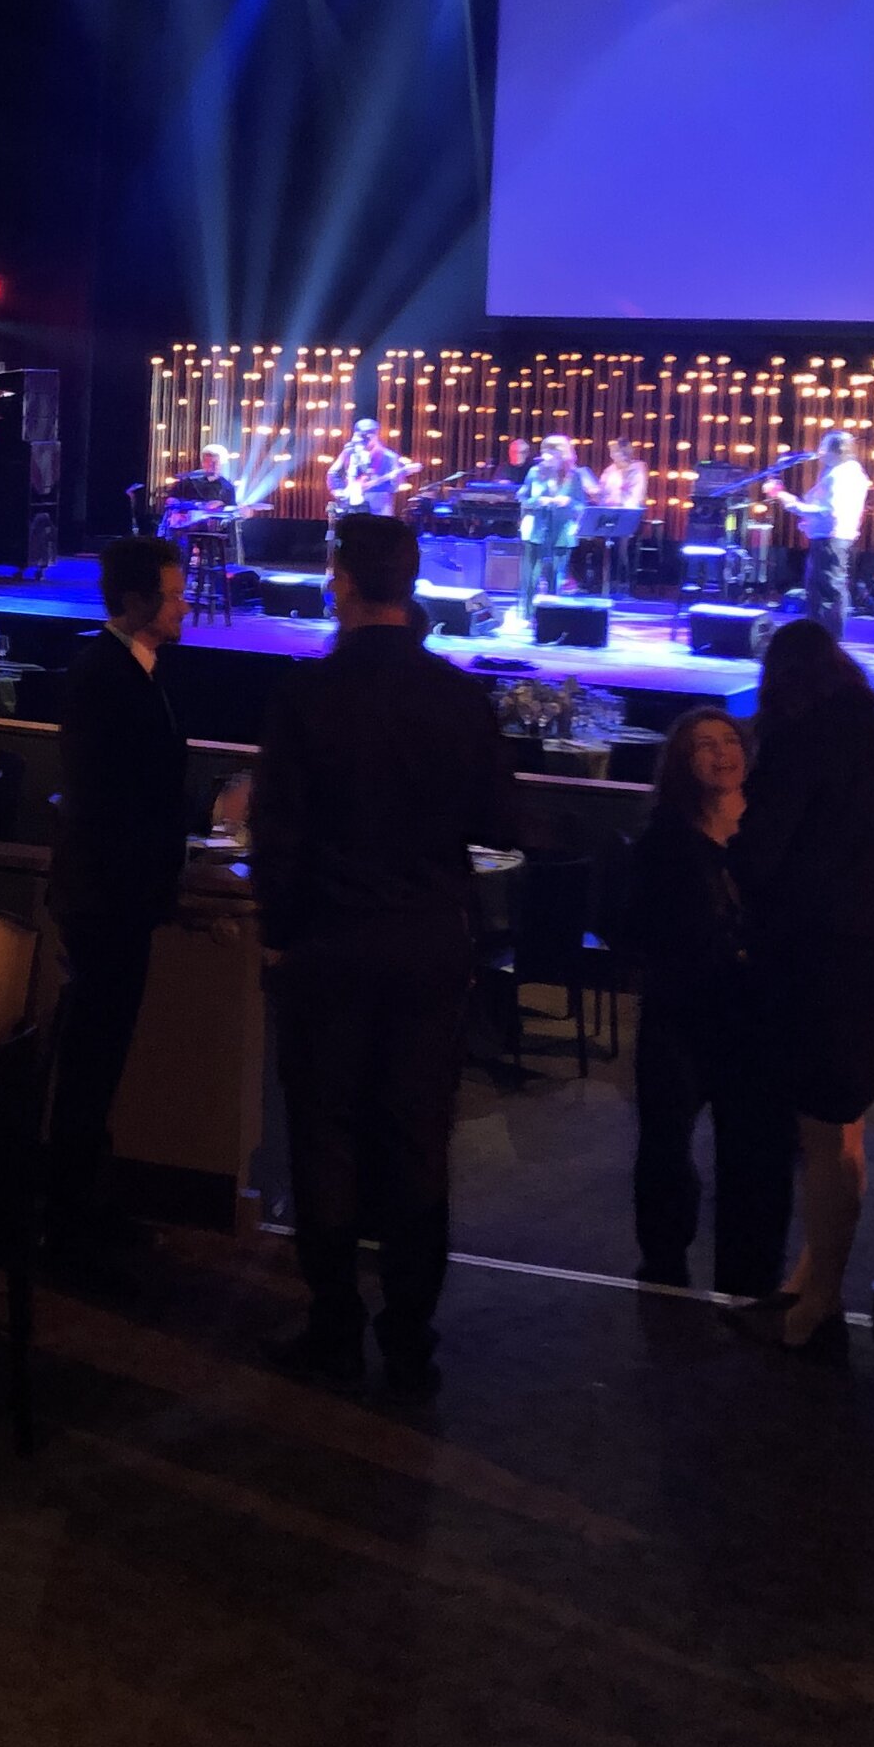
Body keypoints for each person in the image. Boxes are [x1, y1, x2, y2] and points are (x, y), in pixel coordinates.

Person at [252, 510, 519, 1393]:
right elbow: (498, 824)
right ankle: (410, 1336)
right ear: (412, 582)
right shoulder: (460, 696)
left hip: (329, 944)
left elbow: (277, 835)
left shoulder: (305, 694)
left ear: (342, 580)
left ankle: (335, 1324)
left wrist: (280, 934)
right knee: (416, 1140)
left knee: (324, 1134)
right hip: (428, 946)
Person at [732, 616, 874, 1355]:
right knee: (843, 1122)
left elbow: (763, 853)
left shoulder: (800, 742)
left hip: (819, 954)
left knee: (820, 1129)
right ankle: (813, 1281)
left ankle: (814, 1303)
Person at [44, 534, 191, 1280]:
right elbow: (113, 805)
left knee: (99, 1057)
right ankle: (70, 1219)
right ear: (134, 601)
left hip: (113, 897)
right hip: (109, 902)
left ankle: (79, 1205)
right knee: (91, 1058)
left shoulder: (127, 667)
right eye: (171, 593)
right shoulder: (106, 675)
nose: (184, 602)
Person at [611, 708, 792, 1296]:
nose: (721, 753)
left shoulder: (772, 829)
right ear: (682, 764)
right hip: (681, 1014)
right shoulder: (664, 839)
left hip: (753, 1014)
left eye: (729, 741)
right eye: (705, 745)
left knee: (754, 1151)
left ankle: (748, 1277)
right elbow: (634, 924)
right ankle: (663, 1263)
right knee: (666, 1145)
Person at [783, 426, 871, 630]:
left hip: (831, 539)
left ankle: (827, 640)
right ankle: (822, 637)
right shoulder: (843, 473)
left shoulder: (842, 475)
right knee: (821, 589)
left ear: (836, 449)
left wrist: (791, 503)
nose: (819, 451)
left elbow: (828, 510)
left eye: (823, 446)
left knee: (827, 591)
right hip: (830, 538)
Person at [517, 433, 594, 617]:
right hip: (536, 530)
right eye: (546, 451)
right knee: (531, 577)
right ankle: (527, 615)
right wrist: (538, 500)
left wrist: (567, 501)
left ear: (563, 455)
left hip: (562, 532)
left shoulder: (573, 476)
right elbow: (522, 497)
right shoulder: (535, 472)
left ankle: (549, 618)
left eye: (553, 452)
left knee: (555, 576)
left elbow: (581, 504)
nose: (548, 456)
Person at [325, 417, 414, 518]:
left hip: (379, 506)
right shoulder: (350, 451)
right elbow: (333, 472)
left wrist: (391, 480)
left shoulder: (389, 457)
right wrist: (337, 490)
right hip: (352, 503)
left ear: (376, 434)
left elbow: (395, 486)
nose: (366, 437)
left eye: (370, 433)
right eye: (362, 434)